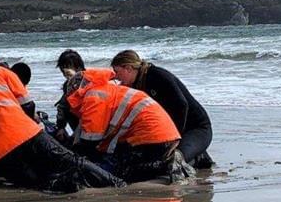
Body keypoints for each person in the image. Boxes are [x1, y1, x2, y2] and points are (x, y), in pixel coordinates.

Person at [0, 56, 126, 193]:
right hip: (21, 132)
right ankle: (116, 185)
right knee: (70, 160)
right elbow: (27, 104)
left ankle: (69, 187)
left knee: (36, 182)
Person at [65, 68, 194, 184]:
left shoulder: (93, 98)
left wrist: (71, 159)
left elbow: (90, 143)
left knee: (122, 172)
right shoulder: (105, 90)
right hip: (163, 135)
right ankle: (170, 161)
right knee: (117, 160)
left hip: (151, 137)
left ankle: (165, 165)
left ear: (75, 93)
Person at [111, 50, 213, 169]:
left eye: (117, 72)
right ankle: (196, 155)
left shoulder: (156, 75)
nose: (115, 76)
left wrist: (174, 138)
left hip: (196, 128)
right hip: (173, 130)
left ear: (128, 68)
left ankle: (198, 156)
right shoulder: (134, 84)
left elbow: (182, 105)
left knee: (174, 160)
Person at [54, 49, 86, 144]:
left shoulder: (89, 81)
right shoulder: (67, 85)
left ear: (79, 67)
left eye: (67, 67)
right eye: (63, 69)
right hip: (77, 122)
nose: (64, 72)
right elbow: (63, 106)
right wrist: (61, 127)